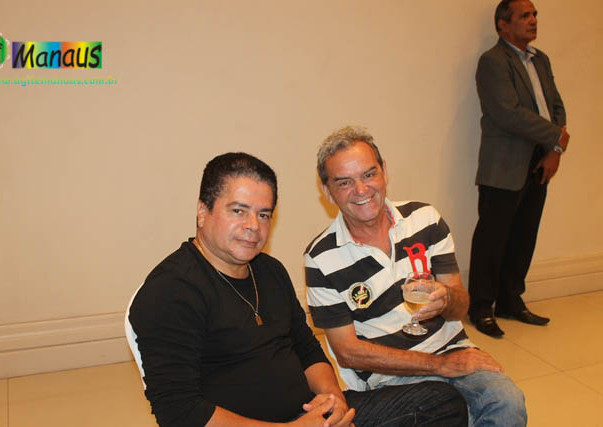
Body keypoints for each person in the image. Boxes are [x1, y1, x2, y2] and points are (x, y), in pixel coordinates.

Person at [126, 152, 468, 426]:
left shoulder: (269, 270)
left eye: (263, 215)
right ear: (203, 212)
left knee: (442, 402)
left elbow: (307, 349)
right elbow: (179, 411)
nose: (252, 226)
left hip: (311, 416)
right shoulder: (171, 292)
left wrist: (333, 400)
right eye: (238, 211)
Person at [305, 126, 526, 426]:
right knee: (446, 412)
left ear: (384, 172)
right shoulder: (320, 258)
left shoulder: (425, 220)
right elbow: (348, 353)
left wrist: (447, 300)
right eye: (345, 182)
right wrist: (440, 366)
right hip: (389, 377)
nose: (361, 190)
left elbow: (461, 306)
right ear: (327, 191)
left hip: (452, 350)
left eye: (369, 174)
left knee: (508, 403)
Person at [468, 0, 569, 337]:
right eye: (525, 15)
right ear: (502, 24)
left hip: (541, 159)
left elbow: (555, 106)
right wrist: (557, 136)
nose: (533, 20)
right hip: (504, 164)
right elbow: (507, 112)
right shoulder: (493, 61)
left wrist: (554, 148)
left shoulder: (541, 59)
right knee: (492, 237)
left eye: (534, 14)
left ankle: (511, 301)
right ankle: (482, 307)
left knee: (524, 234)